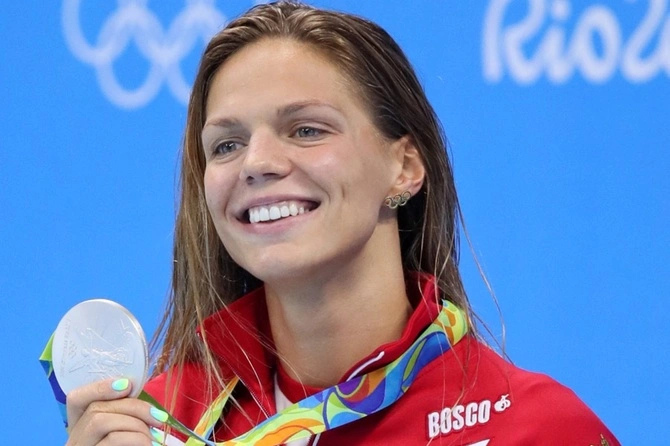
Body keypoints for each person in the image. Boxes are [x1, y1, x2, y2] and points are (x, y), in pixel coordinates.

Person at [63, 2, 620, 445]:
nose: (257, 163)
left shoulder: (534, 428)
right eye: (227, 144)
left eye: (307, 130)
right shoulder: (158, 428)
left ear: (404, 167)